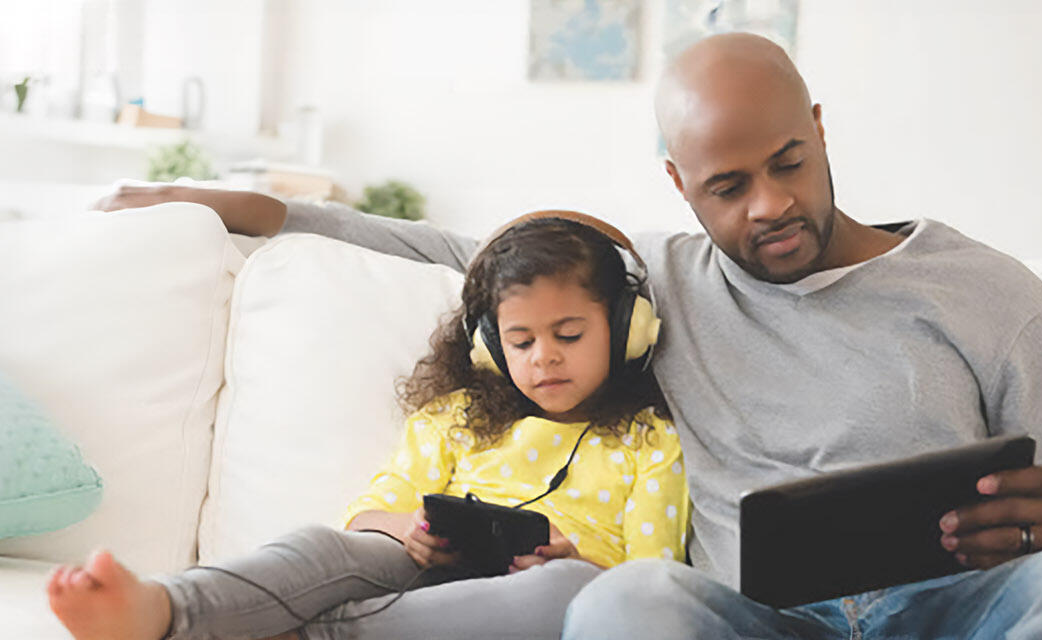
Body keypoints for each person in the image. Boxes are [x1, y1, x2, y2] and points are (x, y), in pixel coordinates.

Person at [96, 32, 1042, 638]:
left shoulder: (987, 292)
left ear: (822, 129)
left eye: (788, 163)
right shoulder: (662, 282)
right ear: (678, 187)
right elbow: (469, 253)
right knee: (627, 598)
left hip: (952, 612)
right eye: (727, 187)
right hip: (763, 621)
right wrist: (236, 205)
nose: (767, 208)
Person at [45, 212, 690, 640]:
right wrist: (409, 531)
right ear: (491, 349)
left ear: (626, 329)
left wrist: (577, 559)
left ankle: (309, 632)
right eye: (520, 342)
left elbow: (653, 579)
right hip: (424, 568)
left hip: (531, 601)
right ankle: (167, 608)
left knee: (566, 589)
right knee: (329, 549)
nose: (543, 356)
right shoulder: (460, 420)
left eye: (569, 334)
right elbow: (368, 512)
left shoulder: (650, 440)